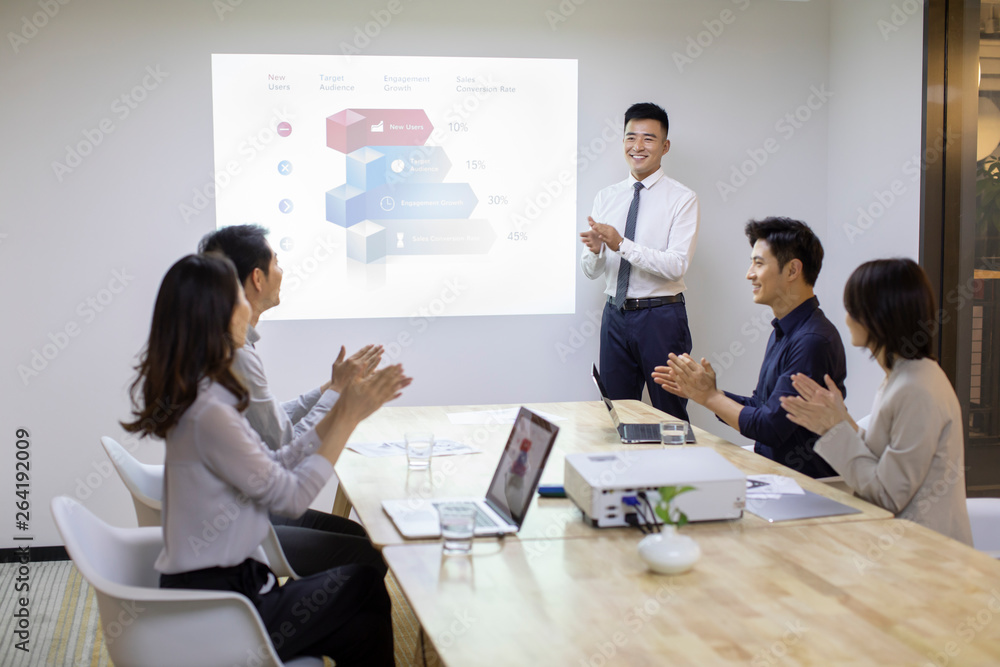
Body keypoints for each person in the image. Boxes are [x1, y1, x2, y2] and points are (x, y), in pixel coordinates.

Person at [122, 253, 410, 665]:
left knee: (364, 628)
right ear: (216, 314)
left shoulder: (208, 395)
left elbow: (280, 459)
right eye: (237, 296)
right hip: (223, 611)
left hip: (227, 589)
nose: (247, 305)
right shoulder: (209, 412)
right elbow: (290, 497)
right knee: (364, 581)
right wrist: (347, 415)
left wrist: (343, 407)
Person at [199, 224, 383, 576]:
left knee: (359, 537)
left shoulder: (228, 344)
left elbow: (270, 423)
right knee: (367, 554)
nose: (282, 273)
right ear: (257, 277)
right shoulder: (236, 353)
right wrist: (337, 394)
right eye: (277, 263)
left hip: (235, 506)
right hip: (243, 524)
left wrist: (327, 388)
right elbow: (287, 448)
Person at [779, 259, 973, 544]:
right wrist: (841, 419)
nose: (846, 318)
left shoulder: (916, 388)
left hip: (926, 557)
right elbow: (885, 459)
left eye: (852, 309)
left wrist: (834, 429)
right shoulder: (904, 376)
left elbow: (887, 494)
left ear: (878, 316)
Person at [653, 217, 845, 478]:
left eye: (759, 263)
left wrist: (711, 397)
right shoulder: (785, 329)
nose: (749, 274)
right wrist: (706, 392)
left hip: (802, 487)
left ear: (792, 271)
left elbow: (770, 428)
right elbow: (761, 406)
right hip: (772, 474)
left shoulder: (812, 340)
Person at [580, 102, 699, 422]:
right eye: (631, 138)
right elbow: (592, 273)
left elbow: (676, 265)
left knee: (669, 414)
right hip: (615, 316)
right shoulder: (607, 196)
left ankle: (676, 473)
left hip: (661, 317)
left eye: (648, 138)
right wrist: (594, 252)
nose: (638, 146)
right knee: (617, 415)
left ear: (665, 146)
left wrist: (620, 244)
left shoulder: (682, 198)